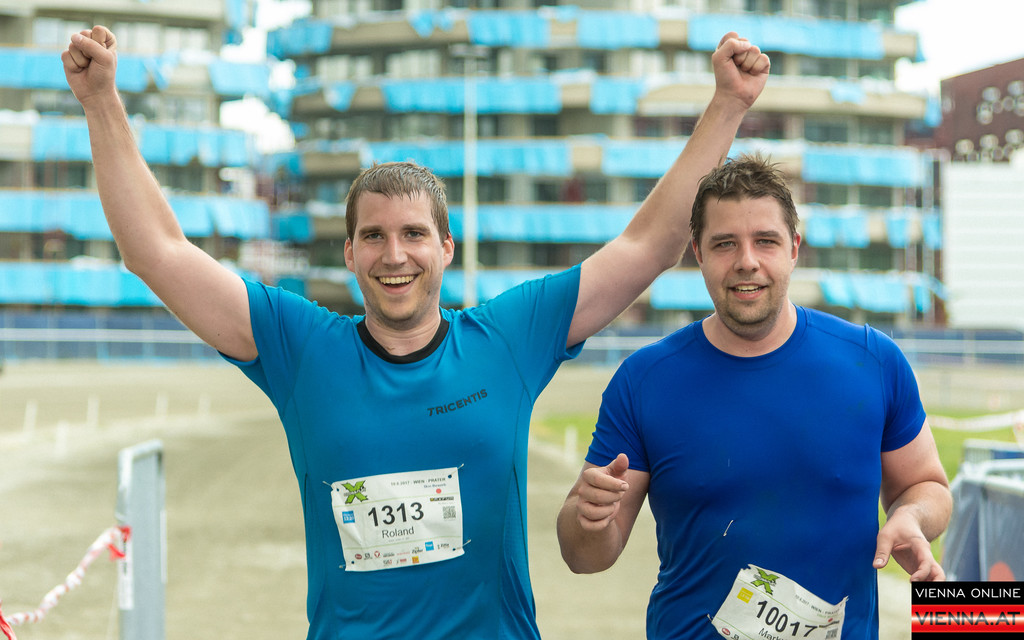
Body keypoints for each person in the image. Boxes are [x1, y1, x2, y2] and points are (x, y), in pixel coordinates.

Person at [62, 25, 769, 640]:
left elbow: (649, 244)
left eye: (413, 234)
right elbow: (156, 252)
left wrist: (727, 104)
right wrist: (101, 102)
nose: (394, 255)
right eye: (373, 236)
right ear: (349, 253)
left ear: (446, 248)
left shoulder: (509, 337)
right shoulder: (299, 347)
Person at [556, 154, 952, 640]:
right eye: (725, 243)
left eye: (766, 240)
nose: (747, 260)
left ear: (794, 248)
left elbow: (929, 486)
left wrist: (911, 515)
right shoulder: (644, 380)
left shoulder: (873, 362)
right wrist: (587, 520)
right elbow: (585, 557)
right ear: (698, 253)